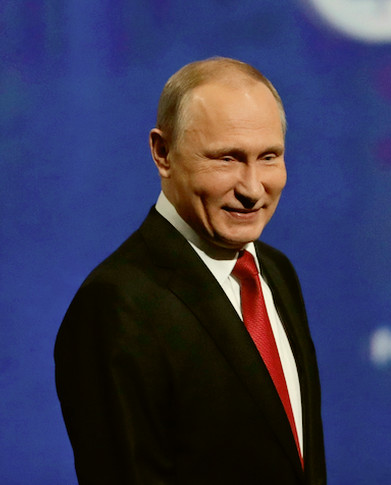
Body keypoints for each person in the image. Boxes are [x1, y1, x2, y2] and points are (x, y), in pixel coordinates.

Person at [55, 57, 326, 484]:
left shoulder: (276, 272)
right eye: (227, 159)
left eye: (269, 157)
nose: (252, 188)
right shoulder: (115, 306)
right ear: (163, 153)